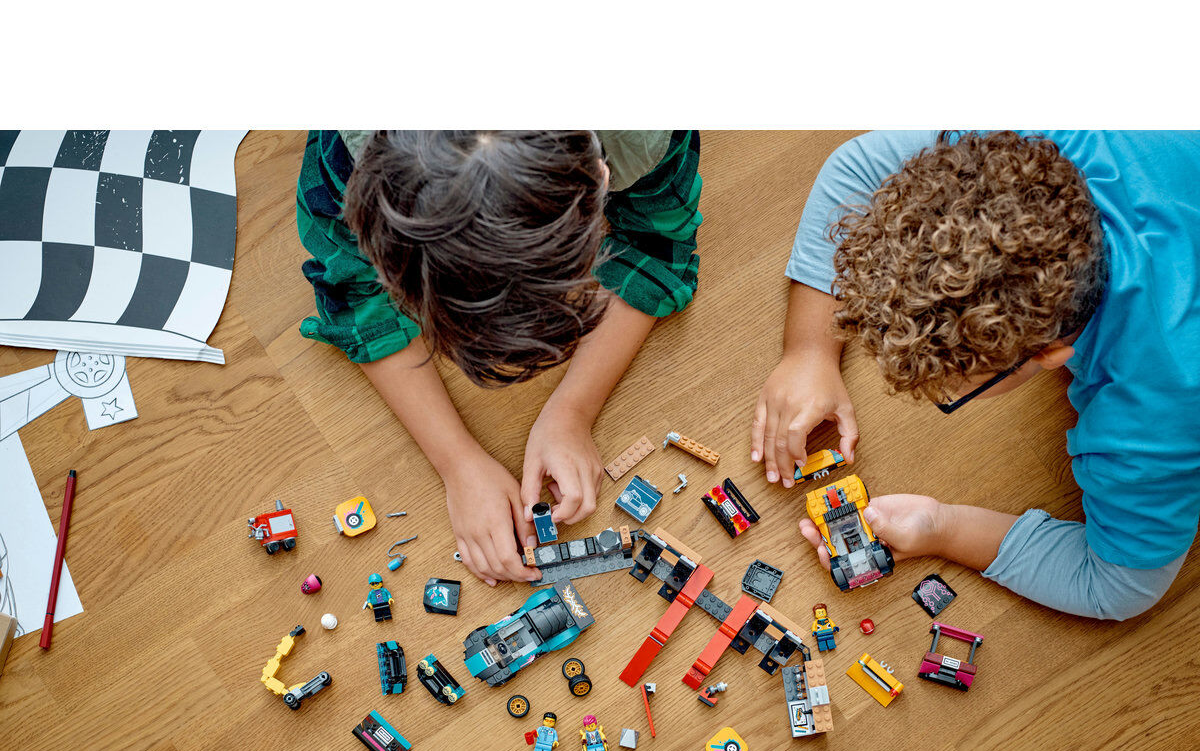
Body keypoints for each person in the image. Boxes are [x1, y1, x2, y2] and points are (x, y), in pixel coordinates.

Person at [751, 130, 1200, 620]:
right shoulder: (1019, 146)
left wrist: (945, 528)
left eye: (949, 391)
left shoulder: (1155, 421)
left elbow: (1116, 587)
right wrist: (810, 350)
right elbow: (857, 167)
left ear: (1049, 355)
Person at [297, 130, 702, 584]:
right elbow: (354, 297)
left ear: (602, 178)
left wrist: (573, 409)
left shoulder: (643, 135)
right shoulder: (345, 165)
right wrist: (456, 461)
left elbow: (656, 249)